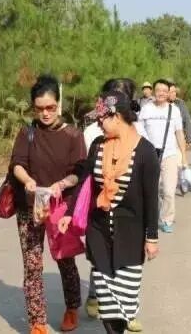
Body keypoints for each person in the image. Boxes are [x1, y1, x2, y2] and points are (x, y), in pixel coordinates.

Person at [59, 90, 160, 334]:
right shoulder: (98, 146)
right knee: (107, 299)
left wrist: (152, 237)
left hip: (131, 233)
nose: (98, 123)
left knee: (125, 299)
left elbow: (151, 198)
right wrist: (69, 213)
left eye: (101, 118)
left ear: (116, 116)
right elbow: (85, 183)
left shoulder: (145, 151)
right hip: (99, 230)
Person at [9, 75, 86, 334]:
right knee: (32, 264)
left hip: (60, 207)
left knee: (65, 259)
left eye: (50, 107)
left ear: (58, 104)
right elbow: (17, 164)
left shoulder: (73, 135)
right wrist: (27, 180)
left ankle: (72, 308)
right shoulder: (27, 133)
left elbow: (79, 172)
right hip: (30, 207)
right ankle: (37, 321)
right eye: (39, 108)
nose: (45, 113)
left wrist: (61, 184)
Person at [82, 78, 144, 332]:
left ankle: (127, 309)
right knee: (102, 268)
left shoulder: (140, 138)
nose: (99, 122)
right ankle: (97, 297)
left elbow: (146, 183)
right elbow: (85, 173)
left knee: (126, 272)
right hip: (100, 217)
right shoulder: (94, 135)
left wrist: (150, 233)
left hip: (128, 222)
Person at [137, 79, 187, 233]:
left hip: (169, 154)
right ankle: (151, 217)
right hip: (150, 155)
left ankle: (167, 219)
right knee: (151, 190)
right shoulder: (146, 109)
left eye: (165, 91)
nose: (161, 93)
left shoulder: (174, 110)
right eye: (159, 90)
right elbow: (139, 131)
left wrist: (184, 155)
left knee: (169, 191)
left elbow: (179, 133)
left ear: (169, 93)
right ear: (154, 91)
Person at [169, 83, 191, 150]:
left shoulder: (180, 103)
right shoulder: (160, 105)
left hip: (179, 140)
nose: (174, 94)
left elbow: (187, 121)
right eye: (171, 92)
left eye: (175, 92)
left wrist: (190, 140)